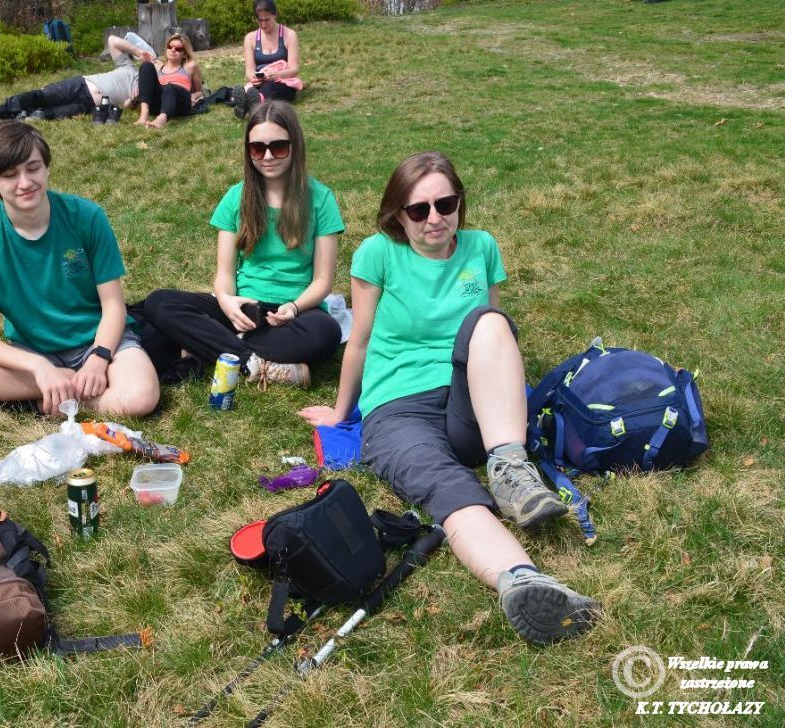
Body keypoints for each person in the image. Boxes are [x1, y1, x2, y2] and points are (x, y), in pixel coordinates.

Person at [298, 152, 600, 645]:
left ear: (460, 202)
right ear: (398, 214)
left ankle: (510, 469)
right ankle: (522, 581)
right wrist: (341, 411)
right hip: (398, 407)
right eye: (419, 209)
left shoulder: (482, 247)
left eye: (446, 204)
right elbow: (360, 340)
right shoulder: (378, 253)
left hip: (471, 401)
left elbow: (491, 338)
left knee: (491, 321)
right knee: (448, 490)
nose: (434, 218)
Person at [0, 121, 160, 417]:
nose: (25, 182)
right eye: (10, 175)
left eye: (33, 168)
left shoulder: (87, 216)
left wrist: (99, 359)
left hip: (99, 341)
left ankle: (48, 400)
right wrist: (38, 366)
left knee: (141, 398)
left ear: (46, 167)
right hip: (33, 353)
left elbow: (113, 305)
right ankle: (66, 387)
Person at [140, 100, 342, 387]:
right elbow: (224, 273)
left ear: (295, 146)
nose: (267, 156)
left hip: (296, 314)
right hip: (242, 309)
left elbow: (323, 280)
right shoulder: (236, 197)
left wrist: (294, 307)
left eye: (278, 147)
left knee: (326, 333)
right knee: (159, 302)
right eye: (257, 148)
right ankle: (253, 363)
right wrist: (226, 301)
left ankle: (210, 345)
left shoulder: (321, 199)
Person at [0, 34, 154, 125]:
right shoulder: (128, 66)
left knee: (44, 115)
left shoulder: (145, 94)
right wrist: (138, 52)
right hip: (80, 85)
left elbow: (127, 107)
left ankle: (15, 118)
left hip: (88, 106)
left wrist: (133, 101)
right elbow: (112, 40)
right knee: (40, 96)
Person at [232, 0, 302, 119]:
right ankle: (251, 101)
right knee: (257, 88)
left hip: (281, 81)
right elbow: (249, 70)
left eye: (267, 20)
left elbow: (294, 69)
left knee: (271, 87)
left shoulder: (289, 35)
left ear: (275, 15)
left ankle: (253, 102)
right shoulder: (250, 38)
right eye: (260, 20)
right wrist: (253, 78)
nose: (263, 25)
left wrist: (276, 75)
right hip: (261, 81)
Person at [134, 33, 204, 129]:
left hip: (180, 102)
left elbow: (200, 92)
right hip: (158, 103)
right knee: (146, 66)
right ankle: (144, 115)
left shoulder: (190, 66)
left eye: (178, 48)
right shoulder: (158, 66)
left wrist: (193, 96)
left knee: (169, 87)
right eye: (170, 46)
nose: (173, 50)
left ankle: (161, 119)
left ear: (184, 54)